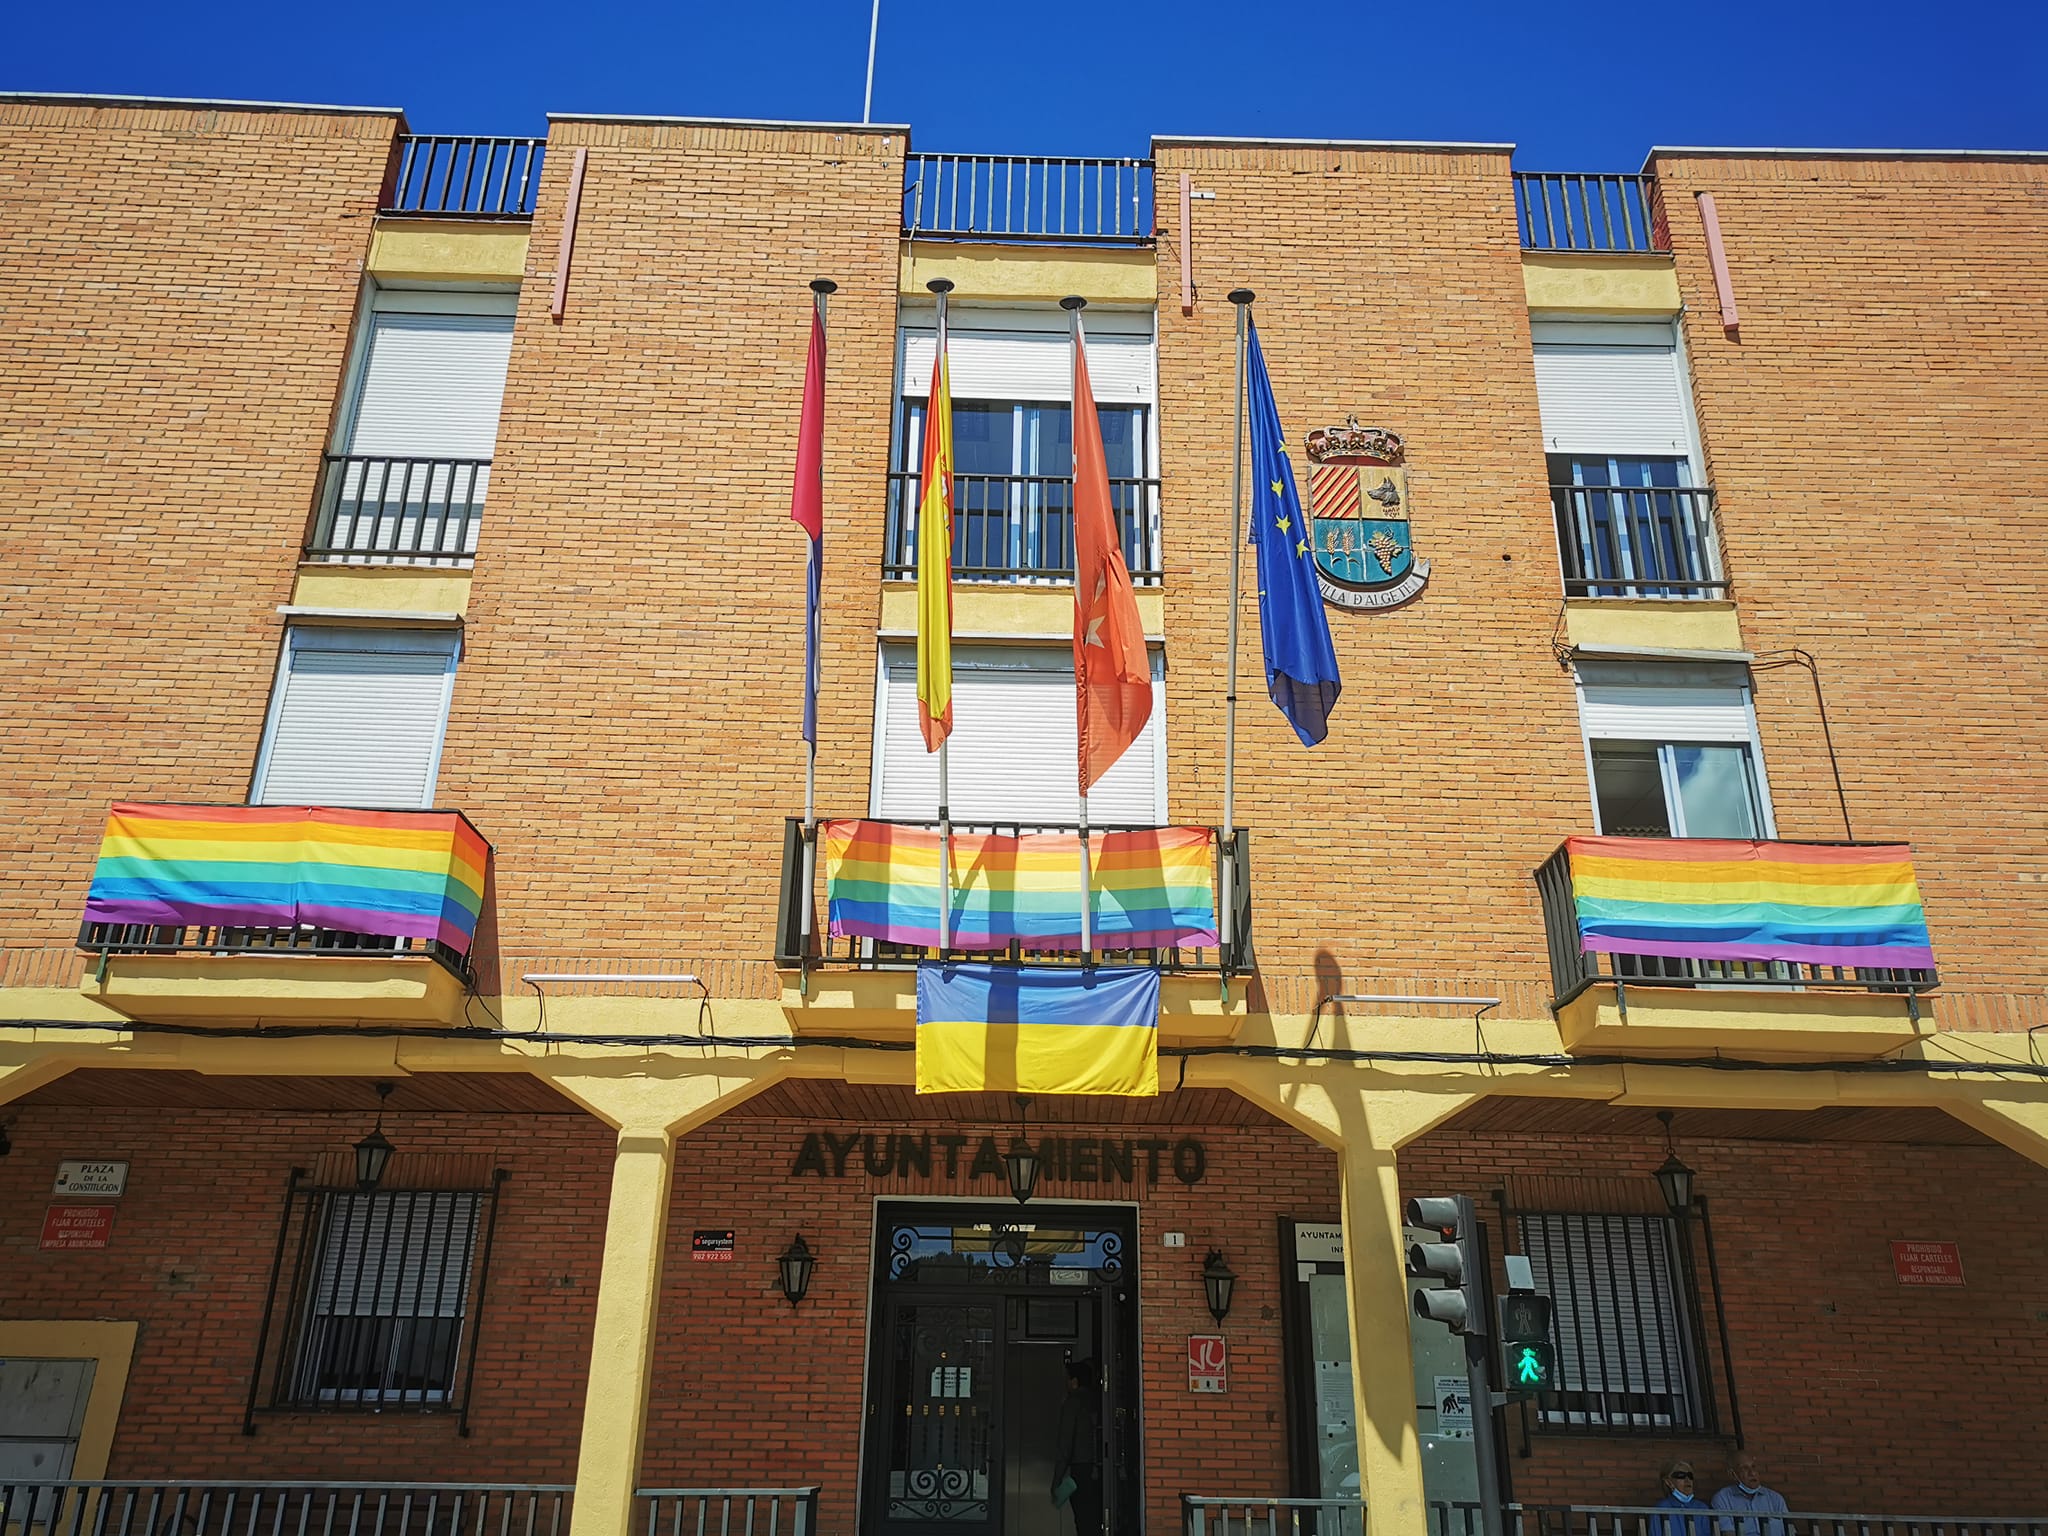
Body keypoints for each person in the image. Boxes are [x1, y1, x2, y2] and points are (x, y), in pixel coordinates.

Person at [1053, 1357, 1104, 1536]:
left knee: (1083, 1520)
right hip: (1101, 1468)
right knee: (1096, 1520)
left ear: (1074, 1382)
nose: (1066, 1383)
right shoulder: (1099, 1400)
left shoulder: (1073, 1402)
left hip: (1082, 1468)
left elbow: (1065, 1442)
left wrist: (1057, 1478)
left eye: (1067, 1379)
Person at [1711, 1450, 1789, 1536]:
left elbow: (1789, 1531)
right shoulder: (1722, 1498)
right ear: (1732, 1474)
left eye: (1754, 1467)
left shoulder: (1775, 1499)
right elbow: (1728, 1533)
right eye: (1744, 1468)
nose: (1752, 1473)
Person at [1651, 1458, 1713, 1536]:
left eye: (1690, 1476)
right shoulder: (1661, 1508)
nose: (1687, 1480)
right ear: (1669, 1482)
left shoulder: (1702, 1508)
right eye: (1681, 1476)